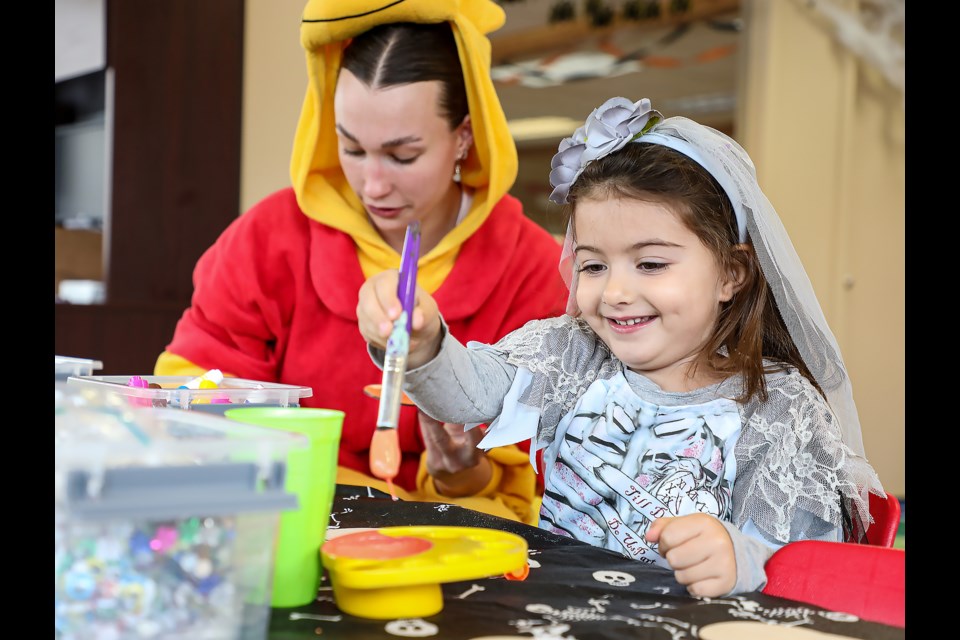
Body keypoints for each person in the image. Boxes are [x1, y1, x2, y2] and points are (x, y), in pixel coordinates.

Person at [357, 97, 886, 596]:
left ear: (732, 272)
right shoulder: (573, 353)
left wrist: (739, 557)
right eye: (593, 265)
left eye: (651, 263)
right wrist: (422, 339)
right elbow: (464, 394)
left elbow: (808, 570)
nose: (614, 293)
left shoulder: (780, 410)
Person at [154, 1, 568, 523]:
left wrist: (462, 473)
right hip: (276, 520)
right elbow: (192, 402)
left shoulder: (532, 270)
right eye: (351, 148)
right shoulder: (268, 238)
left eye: (403, 156)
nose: (373, 186)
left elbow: (544, 484)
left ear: (464, 136)